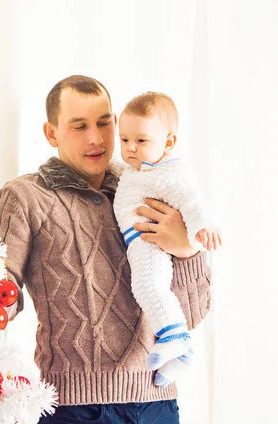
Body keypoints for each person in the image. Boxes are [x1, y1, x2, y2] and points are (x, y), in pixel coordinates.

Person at [0, 76, 212, 424]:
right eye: (79, 127)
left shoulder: (148, 190)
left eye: (105, 123)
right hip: (75, 408)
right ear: (51, 134)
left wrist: (187, 250)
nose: (96, 138)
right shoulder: (24, 197)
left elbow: (193, 315)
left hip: (157, 402)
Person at [114, 92, 221, 389]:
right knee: (151, 288)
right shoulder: (139, 169)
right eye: (124, 140)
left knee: (148, 286)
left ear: (168, 142)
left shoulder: (168, 173)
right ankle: (181, 354)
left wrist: (203, 228)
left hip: (151, 240)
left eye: (141, 141)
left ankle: (176, 336)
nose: (130, 148)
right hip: (139, 240)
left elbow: (191, 200)